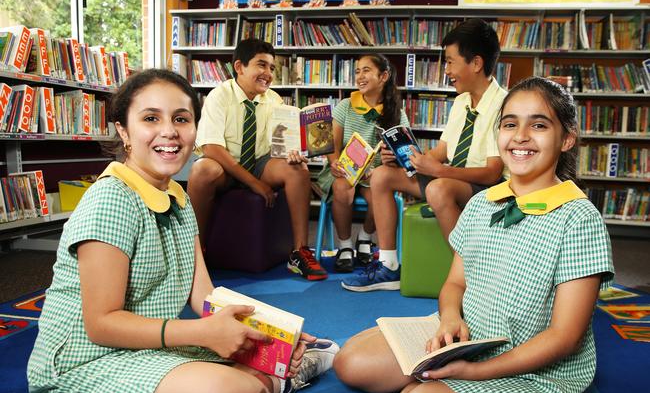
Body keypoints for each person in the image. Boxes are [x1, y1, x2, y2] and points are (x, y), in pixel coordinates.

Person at [26, 69, 339, 393]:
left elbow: (205, 295)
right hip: (82, 369)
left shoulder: (179, 197)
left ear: (194, 126)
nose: (169, 132)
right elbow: (101, 325)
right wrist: (206, 336)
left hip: (144, 351)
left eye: (181, 118)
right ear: (123, 130)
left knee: (256, 365)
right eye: (150, 119)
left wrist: (279, 332)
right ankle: (261, 391)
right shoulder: (110, 200)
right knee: (239, 392)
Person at [333, 76, 614, 393]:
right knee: (350, 363)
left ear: (566, 139)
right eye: (510, 123)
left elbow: (565, 337)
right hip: (468, 337)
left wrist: (475, 373)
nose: (521, 136)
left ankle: (447, 383)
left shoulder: (578, 218)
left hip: (532, 365)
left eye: (539, 124)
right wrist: (450, 319)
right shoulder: (483, 203)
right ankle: (442, 375)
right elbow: (454, 285)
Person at [342, 19, 506, 292]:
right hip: (454, 176)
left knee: (440, 188)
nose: (447, 71)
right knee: (382, 175)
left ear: (476, 63)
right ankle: (389, 266)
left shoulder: (503, 105)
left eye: (451, 62)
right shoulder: (461, 102)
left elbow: (491, 172)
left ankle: (472, 279)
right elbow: (442, 151)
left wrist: (438, 170)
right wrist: (413, 158)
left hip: (486, 187)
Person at [187, 38, 327, 281]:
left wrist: (293, 153)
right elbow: (211, 147)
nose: (268, 73)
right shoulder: (219, 96)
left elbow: (280, 145)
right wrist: (253, 183)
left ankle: (300, 251)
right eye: (261, 65)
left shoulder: (274, 100)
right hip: (225, 165)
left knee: (298, 170)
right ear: (240, 67)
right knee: (202, 170)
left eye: (272, 68)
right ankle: (194, 252)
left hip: (260, 162)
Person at [316, 54, 410, 272]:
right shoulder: (346, 105)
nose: (360, 76)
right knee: (342, 190)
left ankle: (365, 237)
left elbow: (404, 152)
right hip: (343, 170)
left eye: (366, 70)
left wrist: (392, 160)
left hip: (373, 174)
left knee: (381, 191)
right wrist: (334, 163)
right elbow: (333, 144)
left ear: (383, 76)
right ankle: (345, 246)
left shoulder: (396, 113)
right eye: (357, 71)